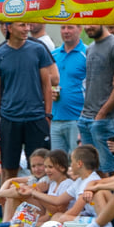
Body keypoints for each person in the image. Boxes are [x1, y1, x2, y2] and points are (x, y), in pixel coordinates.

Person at [0, 21, 54, 187]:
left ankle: (40, 210)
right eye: (22, 25)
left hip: (36, 118)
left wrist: (47, 115)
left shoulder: (38, 50)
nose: (27, 28)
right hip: (9, 119)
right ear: (10, 28)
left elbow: (47, 84)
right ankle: (7, 211)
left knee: (40, 168)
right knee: (8, 169)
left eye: (27, 25)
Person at [78, 24, 114, 176]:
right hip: (86, 117)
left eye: (92, 23)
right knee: (92, 168)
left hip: (107, 119)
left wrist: (103, 112)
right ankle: (102, 200)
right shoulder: (90, 48)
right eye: (85, 24)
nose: (88, 27)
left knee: (113, 167)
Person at [50, 24, 87, 154]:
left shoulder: (87, 53)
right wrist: (50, 90)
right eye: (63, 27)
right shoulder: (53, 55)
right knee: (57, 165)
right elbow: (45, 82)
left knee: (79, 163)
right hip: (55, 118)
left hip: (78, 119)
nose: (66, 31)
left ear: (80, 29)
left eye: (70, 27)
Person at [12, 149, 73, 226]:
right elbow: (49, 214)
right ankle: (8, 224)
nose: (47, 170)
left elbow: (59, 210)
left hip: (63, 219)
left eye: (50, 167)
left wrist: (38, 196)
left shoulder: (67, 184)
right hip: (54, 218)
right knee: (20, 224)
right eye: (46, 167)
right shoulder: (53, 183)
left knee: (22, 225)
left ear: (62, 168)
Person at [0, 147, 49, 222]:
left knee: (18, 190)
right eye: (33, 166)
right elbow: (10, 180)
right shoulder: (34, 178)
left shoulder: (47, 180)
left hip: (45, 214)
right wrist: (1, 192)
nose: (36, 169)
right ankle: (7, 221)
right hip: (35, 209)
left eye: (40, 165)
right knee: (14, 188)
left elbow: (23, 191)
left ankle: (6, 223)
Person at [52, 145, 103, 223]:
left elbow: (74, 211)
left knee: (63, 218)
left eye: (72, 161)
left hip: (98, 220)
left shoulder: (91, 180)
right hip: (89, 216)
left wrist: (58, 221)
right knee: (57, 215)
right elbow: (58, 200)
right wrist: (33, 192)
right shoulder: (80, 180)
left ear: (79, 164)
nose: (71, 165)